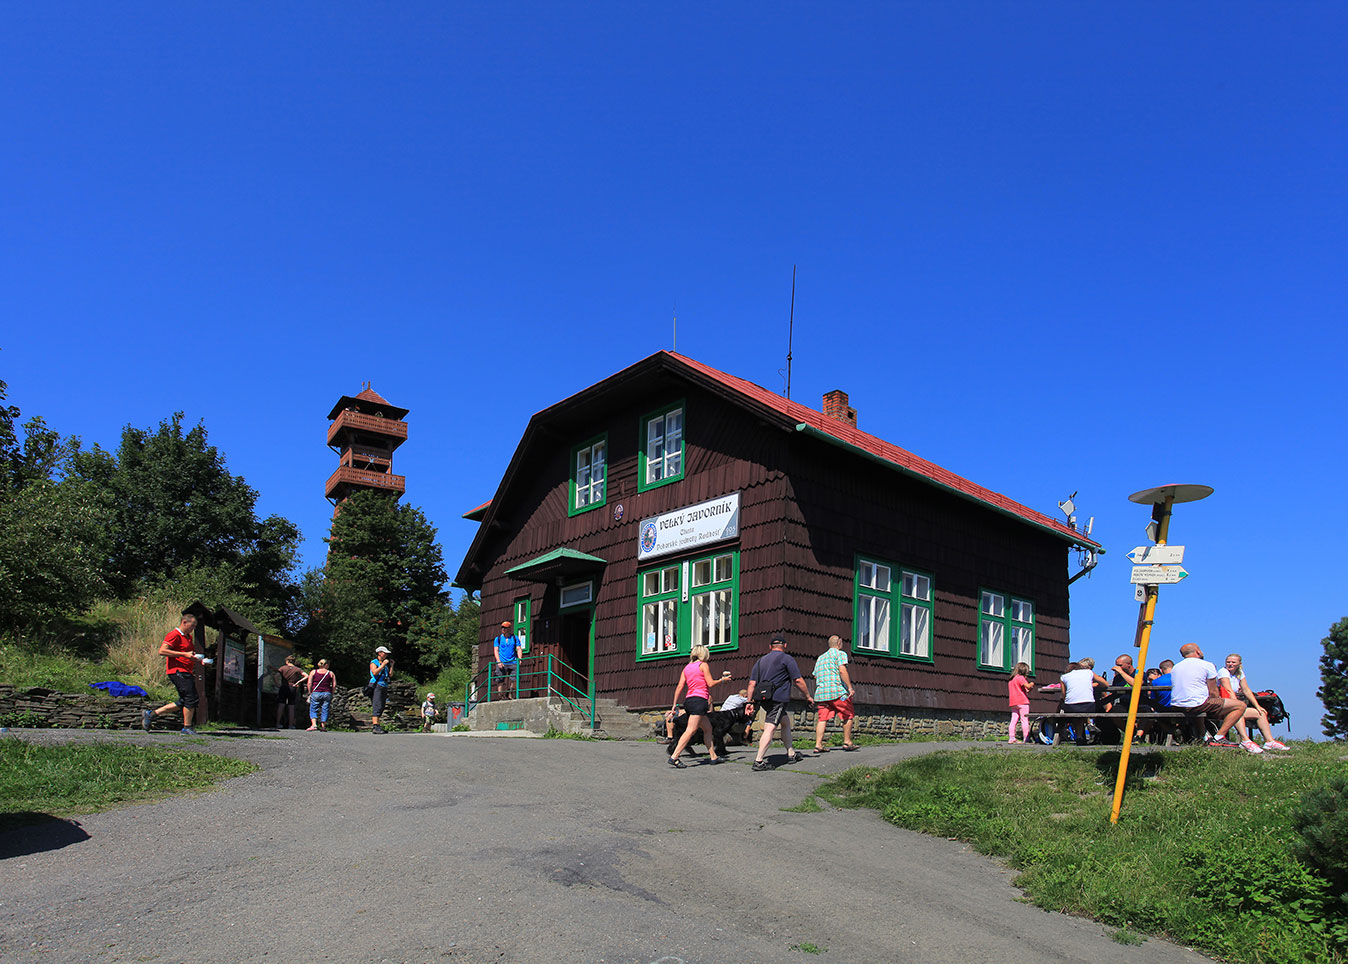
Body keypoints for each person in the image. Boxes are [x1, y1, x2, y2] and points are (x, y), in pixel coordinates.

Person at [1169, 643, 1258, 753]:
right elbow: (1213, 691)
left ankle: (1202, 737)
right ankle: (1219, 737)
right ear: (1198, 651)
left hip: (1177, 705)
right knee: (1240, 705)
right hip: (1197, 704)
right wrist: (1218, 703)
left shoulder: (1176, 667)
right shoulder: (1206, 665)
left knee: (1198, 707)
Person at [746, 635, 814, 771]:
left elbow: (752, 683)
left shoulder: (760, 661)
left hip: (764, 699)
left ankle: (791, 753)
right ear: (785, 646)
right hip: (778, 699)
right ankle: (758, 760)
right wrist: (808, 696)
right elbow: (798, 680)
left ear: (770, 647)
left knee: (785, 723)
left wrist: (749, 702)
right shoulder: (787, 659)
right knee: (770, 727)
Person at [667, 646, 735, 767]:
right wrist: (722, 680)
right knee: (691, 730)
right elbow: (710, 683)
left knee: (708, 729)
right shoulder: (703, 665)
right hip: (699, 701)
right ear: (703, 654)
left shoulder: (687, 668)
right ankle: (674, 757)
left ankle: (713, 757)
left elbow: (679, 687)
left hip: (689, 701)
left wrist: (674, 705)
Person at [143, 613, 210, 735]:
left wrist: (198, 660)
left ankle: (151, 714)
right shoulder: (174, 635)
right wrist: (184, 655)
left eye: (195, 626)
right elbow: (162, 651)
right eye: (192, 625)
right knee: (191, 698)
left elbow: (187, 654)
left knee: (184, 700)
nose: (193, 628)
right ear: (184, 622)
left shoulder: (188, 637)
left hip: (186, 670)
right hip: (177, 671)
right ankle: (187, 727)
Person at [1218, 653, 1288, 751]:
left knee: (1261, 713)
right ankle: (1245, 740)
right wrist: (1237, 704)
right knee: (1238, 713)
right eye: (1228, 662)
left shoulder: (1240, 673)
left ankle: (1269, 741)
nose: (1230, 664)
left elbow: (1246, 690)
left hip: (1236, 704)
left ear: (1239, 663)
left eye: (1233, 662)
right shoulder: (1223, 672)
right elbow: (1228, 689)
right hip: (1225, 704)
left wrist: (1257, 706)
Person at [812, 634, 856, 753]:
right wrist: (850, 687)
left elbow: (816, 675)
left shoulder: (820, 658)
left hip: (821, 694)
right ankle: (847, 741)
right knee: (848, 713)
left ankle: (818, 744)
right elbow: (842, 670)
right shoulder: (840, 654)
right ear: (839, 643)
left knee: (822, 718)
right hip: (837, 693)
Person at [1059, 657, 1110, 747]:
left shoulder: (1064, 677)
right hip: (1089, 705)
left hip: (1071, 706)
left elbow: (1063, 695)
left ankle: (1079, 737)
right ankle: (1090, 724)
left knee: (1075, 713)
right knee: (1083, 710)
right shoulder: (1089, 673)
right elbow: (1105, 684)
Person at [274, 655, 308, 730]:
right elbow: (306, 675)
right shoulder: (297, 669)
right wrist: (298, 682)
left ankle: (278, 723)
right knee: (291, 706)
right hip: (292, 687)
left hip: (283, 687)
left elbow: (276, 676)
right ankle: (290, 724)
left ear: (287, 661)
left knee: (281, 705)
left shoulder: (282, 668)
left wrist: (277, 684)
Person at [493, 620, 523, 700]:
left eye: (505, 628)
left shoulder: (514, 638)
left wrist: (519, 659)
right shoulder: (498, 639)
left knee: (515, 678)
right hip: (502, 661)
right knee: (500, 679)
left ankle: (511, 693)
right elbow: (496, 650)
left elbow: (519, 648)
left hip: (513, 661)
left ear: (509, 629)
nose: (503, 629)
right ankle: (501, 695)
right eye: (502, 627)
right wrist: (498, 661)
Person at [305, 659, 336, 731]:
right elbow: (334, 685)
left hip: (316, 692)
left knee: (313, 708)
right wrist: (332, 693)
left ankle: (314, 724)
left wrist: (310, 692)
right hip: (327, 692)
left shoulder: (313, 672)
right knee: (325, 709)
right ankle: (323, 726)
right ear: (326, 665)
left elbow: (309, 683)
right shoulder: (331, 673)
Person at [1007, 661, 1034, 744]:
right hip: (1022, 702)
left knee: (1013, 720)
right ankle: (1026, 738)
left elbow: (1025, 690)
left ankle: (1011, 737)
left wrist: (1028, 688)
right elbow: (1028, 686)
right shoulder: (1021, 678)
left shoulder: (1011, 680)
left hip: (1013, 702)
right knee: (1024, 720)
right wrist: (1031, 684)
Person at [369, 646, 393, 734]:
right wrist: (382, 665)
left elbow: (390, 675)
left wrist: (391, 665)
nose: (386, 655)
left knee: (382, 705)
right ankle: (375, 725)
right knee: (377, 704)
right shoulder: (374, 662)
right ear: (379, 653)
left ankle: (378, 724)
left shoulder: (385, 664)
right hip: (377, 685)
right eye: (384, 653)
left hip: (384, 685)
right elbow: (374, 672)